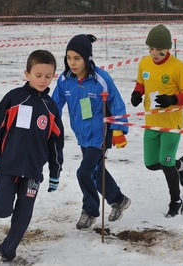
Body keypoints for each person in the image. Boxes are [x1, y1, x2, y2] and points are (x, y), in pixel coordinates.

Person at [0, 50, 64, 263]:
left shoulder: (51, 107)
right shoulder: (14, 97)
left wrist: (55, 172)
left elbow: (56, 142)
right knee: (2, 211)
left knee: (24, 214)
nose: (43, 80)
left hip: (33, 172)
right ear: (27, 73)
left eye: (48, 76)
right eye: (38, 75)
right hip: (8, 165)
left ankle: (7, 251)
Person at [52, 34, 131, 230]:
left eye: (77, 58)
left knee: (84, 172)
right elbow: (54, 105)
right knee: (96, 171)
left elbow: (117, 103)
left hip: (100, 135)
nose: (72, 62)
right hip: (82, 134)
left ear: (87, 58)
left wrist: (119, 130)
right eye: (69, 57)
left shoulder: (101, 79)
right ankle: (119, 199)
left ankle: (90, 210)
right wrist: (46, 124)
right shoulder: (64, 80)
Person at [130, 24, 183, 217]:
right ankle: (182, 165)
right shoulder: (144, 63)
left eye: (159, 50)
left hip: (171, 123)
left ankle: (176, 201)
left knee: (166, 163)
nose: (154, 54)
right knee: (151, 163)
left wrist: (173, 99)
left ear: (168, 48)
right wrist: (136, 93)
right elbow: (141, 82)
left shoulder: (177, 67)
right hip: (151, 121)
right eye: (151, 49)